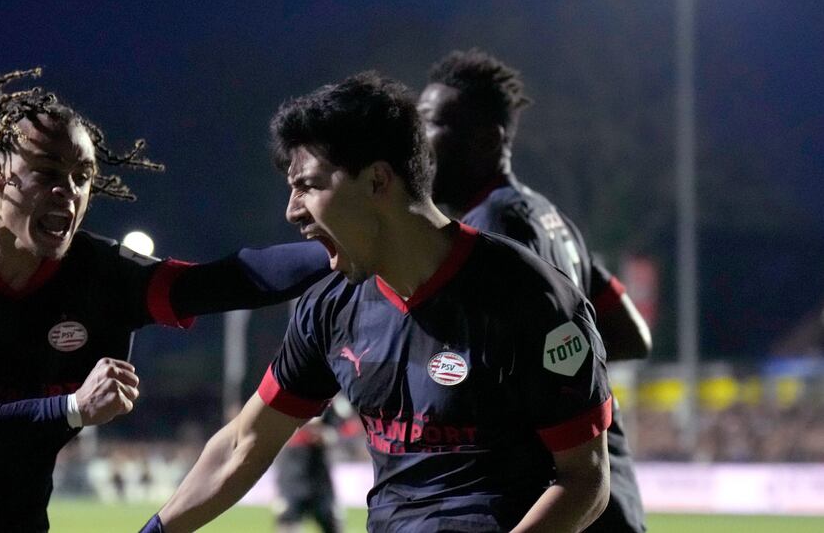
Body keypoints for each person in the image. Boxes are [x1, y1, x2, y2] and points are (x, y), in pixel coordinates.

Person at [0, 68, 330, 532]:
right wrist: (71, 407)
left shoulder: (102, 275)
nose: (68, 192)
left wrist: (345, 247)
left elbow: (228, 281)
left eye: (82, 176)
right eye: (47, 172)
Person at [141, 72, 611, 533]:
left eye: (309, 185)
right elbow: (243, 445)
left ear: (377, 180)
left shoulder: (530, 298)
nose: (292, 210)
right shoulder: (329, 308)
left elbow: (586, 480)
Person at [418, 48, 652, 532]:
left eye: (430, 123)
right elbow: (632, 336)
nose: (416, 141)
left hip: (562, 499)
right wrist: (566, 367)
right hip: (608, 492)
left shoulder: (492, 230)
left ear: (488, 139)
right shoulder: (551, 217)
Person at [272, 404, 346, 533]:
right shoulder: (286, 398)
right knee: (288, 519)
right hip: (292, 473)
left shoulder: (330, 404)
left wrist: (324, 435)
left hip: (319, 474)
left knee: (331, 520)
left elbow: (337, 429)